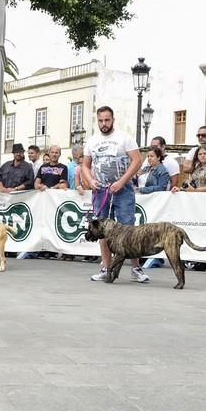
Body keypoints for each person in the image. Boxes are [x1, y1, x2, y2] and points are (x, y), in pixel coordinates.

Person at [81, 105, 150, 283]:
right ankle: (106, 267)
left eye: (107, 120)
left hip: (123, 190)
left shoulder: (124, 138)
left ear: (113, 120)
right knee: (101, 230)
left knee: (129, 230)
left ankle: (136, 268)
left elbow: (136, 161)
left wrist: (122, 181)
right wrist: (90, 181)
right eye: (101, 120)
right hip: (101, 190)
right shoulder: (92, 141)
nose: (104, 124)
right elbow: (85, 165)